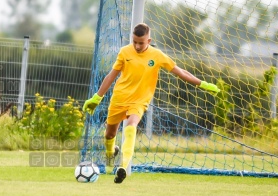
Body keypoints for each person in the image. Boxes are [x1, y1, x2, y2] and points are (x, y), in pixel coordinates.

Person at [82, 23, 219, 184]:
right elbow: (111, 76)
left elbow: (181, 72)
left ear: (149, 40)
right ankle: (111, 153)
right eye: (134, 42)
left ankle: (123, 167)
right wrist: (97, 98)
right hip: (119, 98)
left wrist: (202, 84)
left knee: (131, 126)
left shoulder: (157, 55)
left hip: (139, 101)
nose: (137, 46)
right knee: (110, 134)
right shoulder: (124, 52)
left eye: (141, 42)